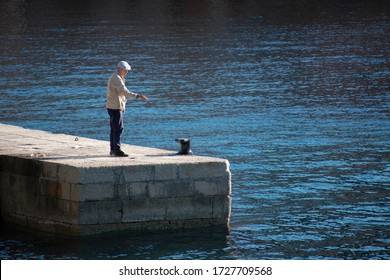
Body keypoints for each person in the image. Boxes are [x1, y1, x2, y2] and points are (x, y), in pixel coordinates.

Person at [106, 61, 148, 157]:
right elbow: (124, 92)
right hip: (115, 107)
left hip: (112, 106)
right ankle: (117, 150)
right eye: (126, 70)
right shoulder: (116, 78)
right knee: (118, 128)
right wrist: (137, 96)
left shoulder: (117, 76)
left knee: (114, 128)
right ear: (120, 68)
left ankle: (113, 149)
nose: (127, 72)